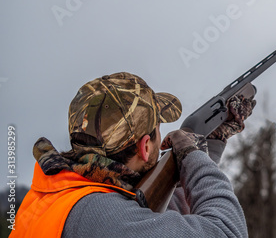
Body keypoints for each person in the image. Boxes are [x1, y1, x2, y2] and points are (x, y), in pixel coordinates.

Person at [13, 72, 255, 237]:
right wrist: (192, 154)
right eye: (158, 128)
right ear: (145, 146)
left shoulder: (58, 194)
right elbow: (226, 231)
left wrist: (211, 141)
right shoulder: (101, 215)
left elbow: (162, 219)